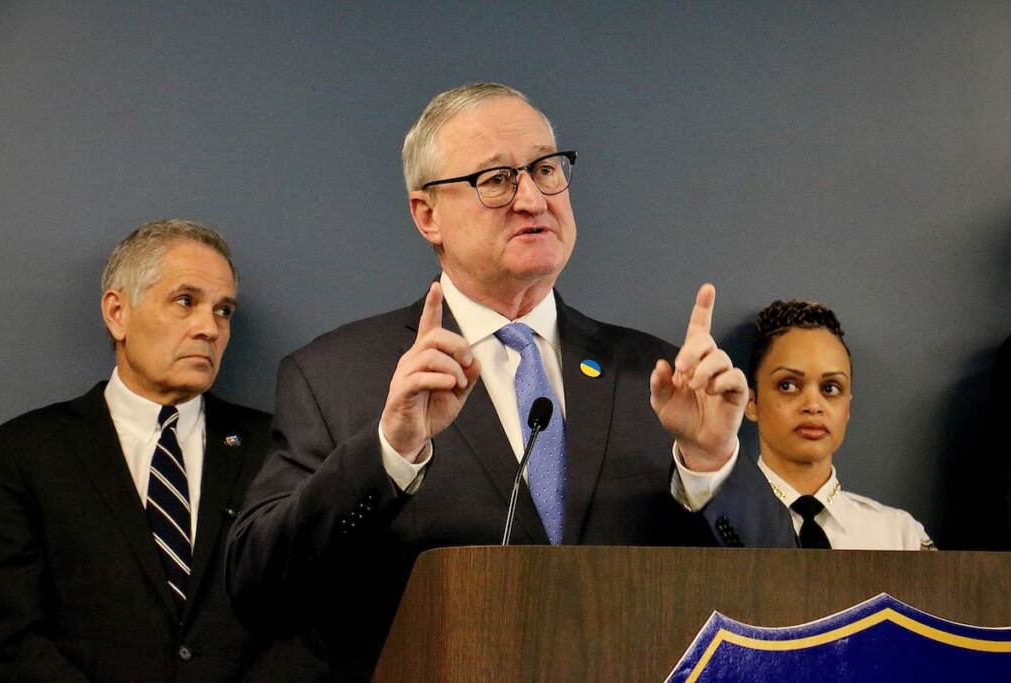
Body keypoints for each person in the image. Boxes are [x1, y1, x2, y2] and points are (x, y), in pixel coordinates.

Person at [226, 83, 793, 681]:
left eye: (546, 169)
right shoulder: (335, 377)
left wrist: (710, 463)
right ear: (427, 215)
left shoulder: (658, 379)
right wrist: (388, 452)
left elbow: (783, 597)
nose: (532, 198)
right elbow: (260, 593)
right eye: (495, 179)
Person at [0, 220, 321, 681]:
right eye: (186, 302)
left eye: (223, 311)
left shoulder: (279, 450)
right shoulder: (19, 456)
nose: (209, 328)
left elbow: (309, 624)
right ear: (117, 313)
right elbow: (9, 637)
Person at [744, 299, 934, 550]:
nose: (813, 405)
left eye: (830, 388)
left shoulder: (900, 536)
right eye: (788, 385)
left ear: (847, 407)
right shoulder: (717, 524)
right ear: (751, 402)